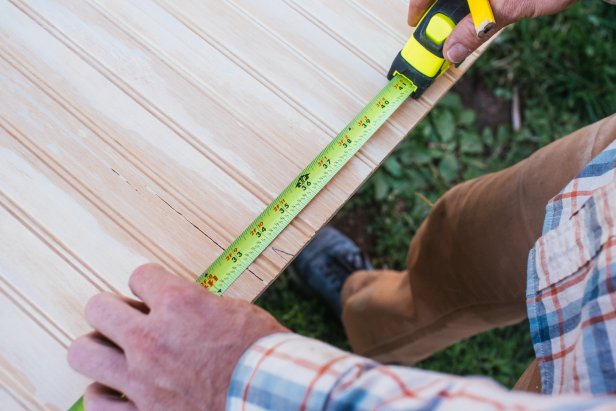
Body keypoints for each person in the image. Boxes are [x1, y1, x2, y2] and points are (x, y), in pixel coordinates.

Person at [67, 1, 616, 409]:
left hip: (593, 371)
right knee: (457, 243)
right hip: (604, 184)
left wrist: (242, 380)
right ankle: (372, 313)